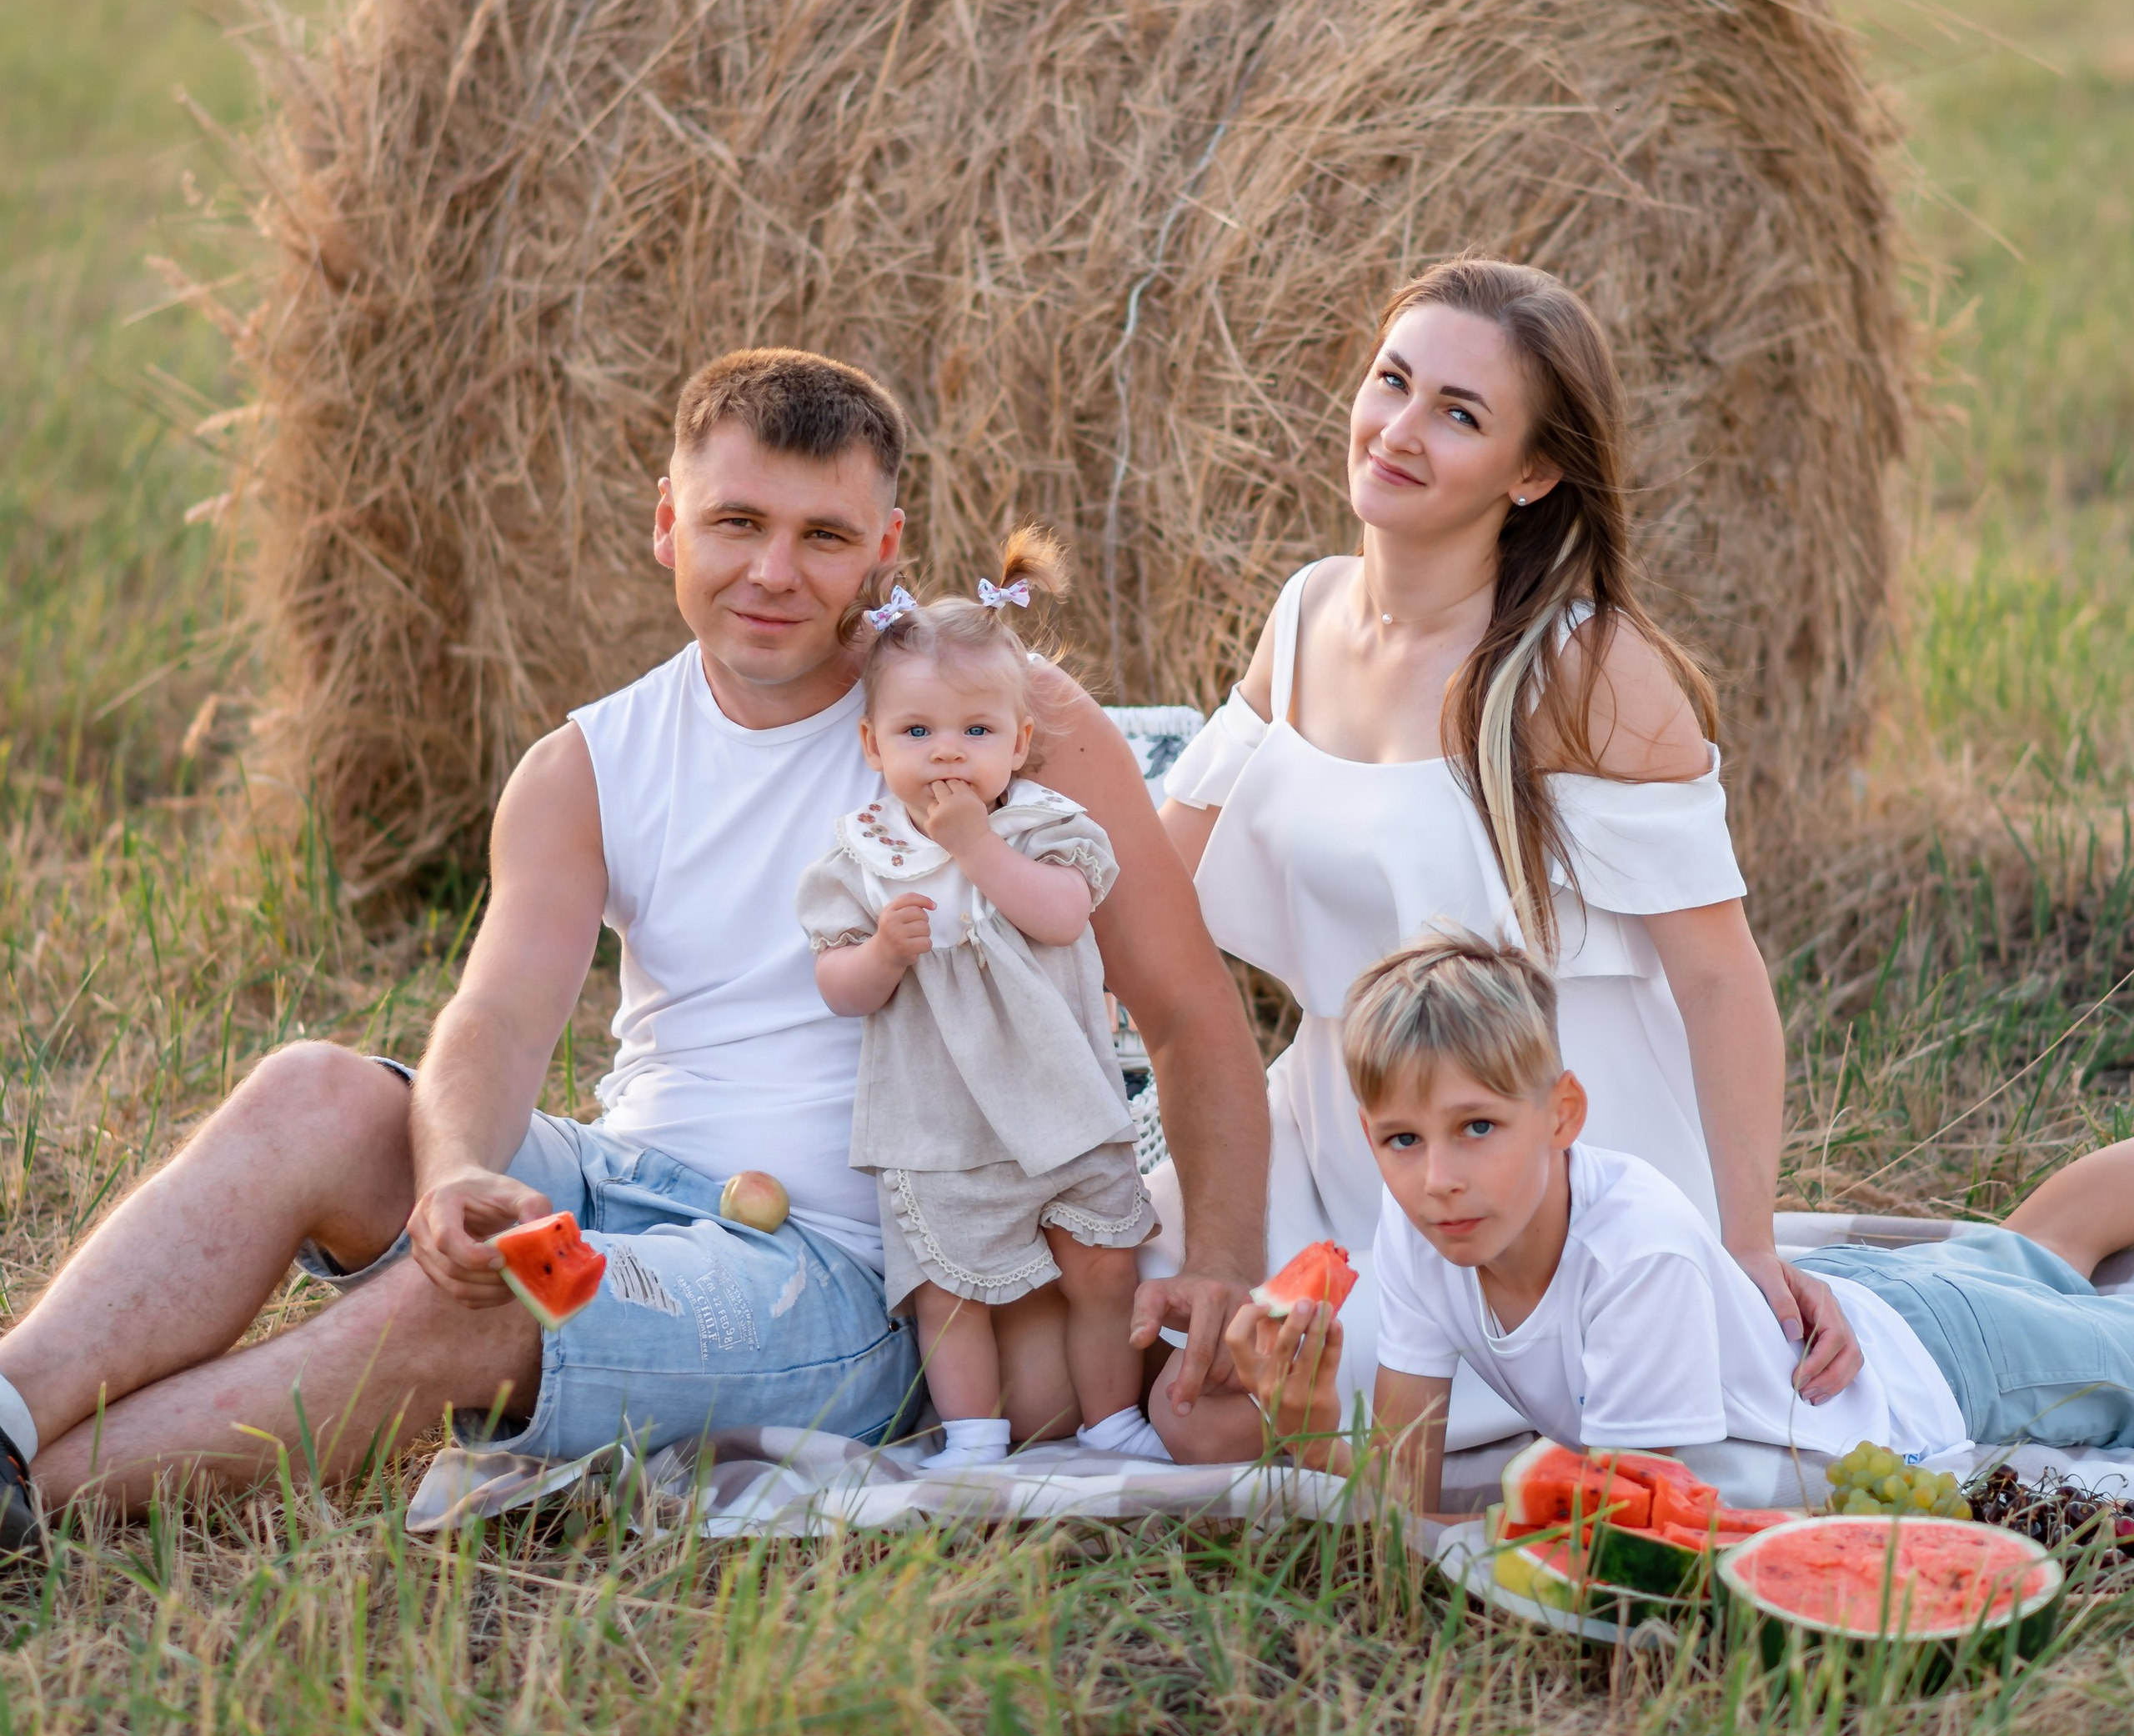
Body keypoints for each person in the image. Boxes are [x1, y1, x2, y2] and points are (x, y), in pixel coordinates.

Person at [0, 349, 1269, 1566]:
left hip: (841, 1276)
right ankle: (11, 1409)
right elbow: (496, 1016)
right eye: (735, 523)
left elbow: (1189, 1013)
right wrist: (451, 1172)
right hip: (622, 1179)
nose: (772, 571)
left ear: (886, 549)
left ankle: (38, 1496)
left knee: (499, 1301)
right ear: (668, 522)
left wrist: (1217, 1261)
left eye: (823, 537)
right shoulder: (586, 766)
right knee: (312, 1092)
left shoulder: (1004, 721)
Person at [1158, 253, 1859, 1438]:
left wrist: (1747, 1243)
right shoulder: (1306, 614)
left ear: (1534, 473)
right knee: (1122, 1316)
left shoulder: (1584, 675)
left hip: (1524, 1170)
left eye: (1459, 414)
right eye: (1393, 381)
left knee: (1214, 1424)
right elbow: (1153, 891)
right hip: (1339, 1120)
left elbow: (1718, 976)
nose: (1399, 429)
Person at [1233, 927, 2134, 1512]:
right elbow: (1403, 1506)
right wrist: (1307, 1421)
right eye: (1400, 1139)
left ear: (1562, 1113)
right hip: (1856, 1299)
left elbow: (1619, 1539)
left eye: (1477, 1126)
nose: (1438, 1179)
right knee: (2037, 1251)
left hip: (1939, 1368)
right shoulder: (1421, 1233)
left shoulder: (1634, 1257)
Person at [797, 528, 1168, 1471]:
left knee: (1099, 1262)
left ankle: (1111, 1417)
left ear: (1020, 742)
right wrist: (882, 952)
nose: (947, 754)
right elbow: (838, 984)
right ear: (873, 743)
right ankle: (970, 1434)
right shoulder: (864, 856)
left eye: (975, 731)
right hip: (938, 1112)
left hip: (1059, 1093)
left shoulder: (1046, 827)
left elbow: (1061, 913)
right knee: (945, 1288)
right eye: (917, 733)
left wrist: (978, 848)